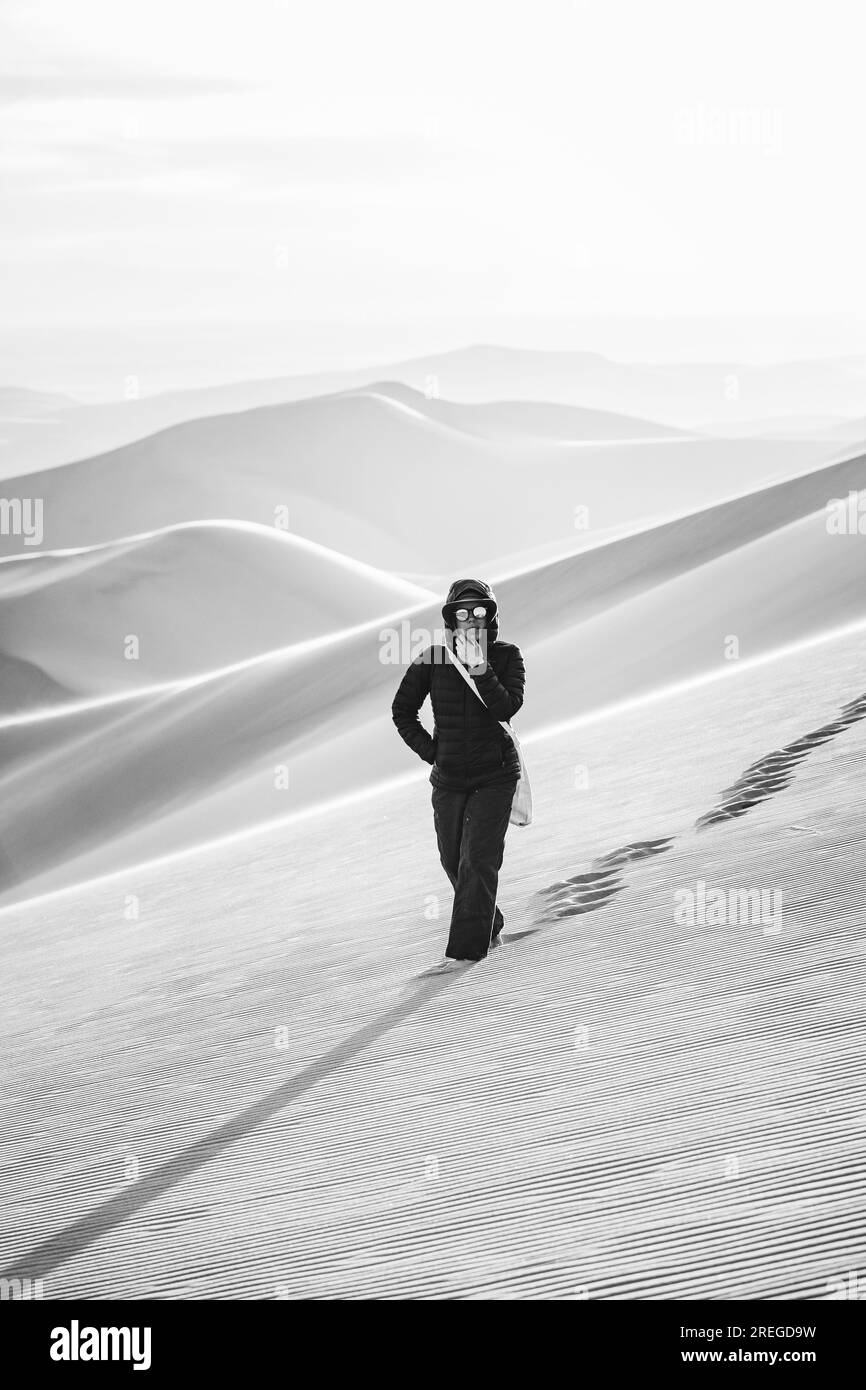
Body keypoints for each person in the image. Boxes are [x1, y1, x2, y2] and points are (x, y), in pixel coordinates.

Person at [391, 579, 526, 971]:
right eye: (462, 612)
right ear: (451, 618)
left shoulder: (506, 656)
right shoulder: (433, 659)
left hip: (496, 775)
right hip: (449, 781)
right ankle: (489, 924)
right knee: (452, 859)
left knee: (478, 860)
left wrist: (481, 669)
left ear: (491, 615)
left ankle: (467, 953)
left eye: (479, 611)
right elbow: (402, 712)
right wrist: (434, 753)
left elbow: (506, 708)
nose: (471, 619)